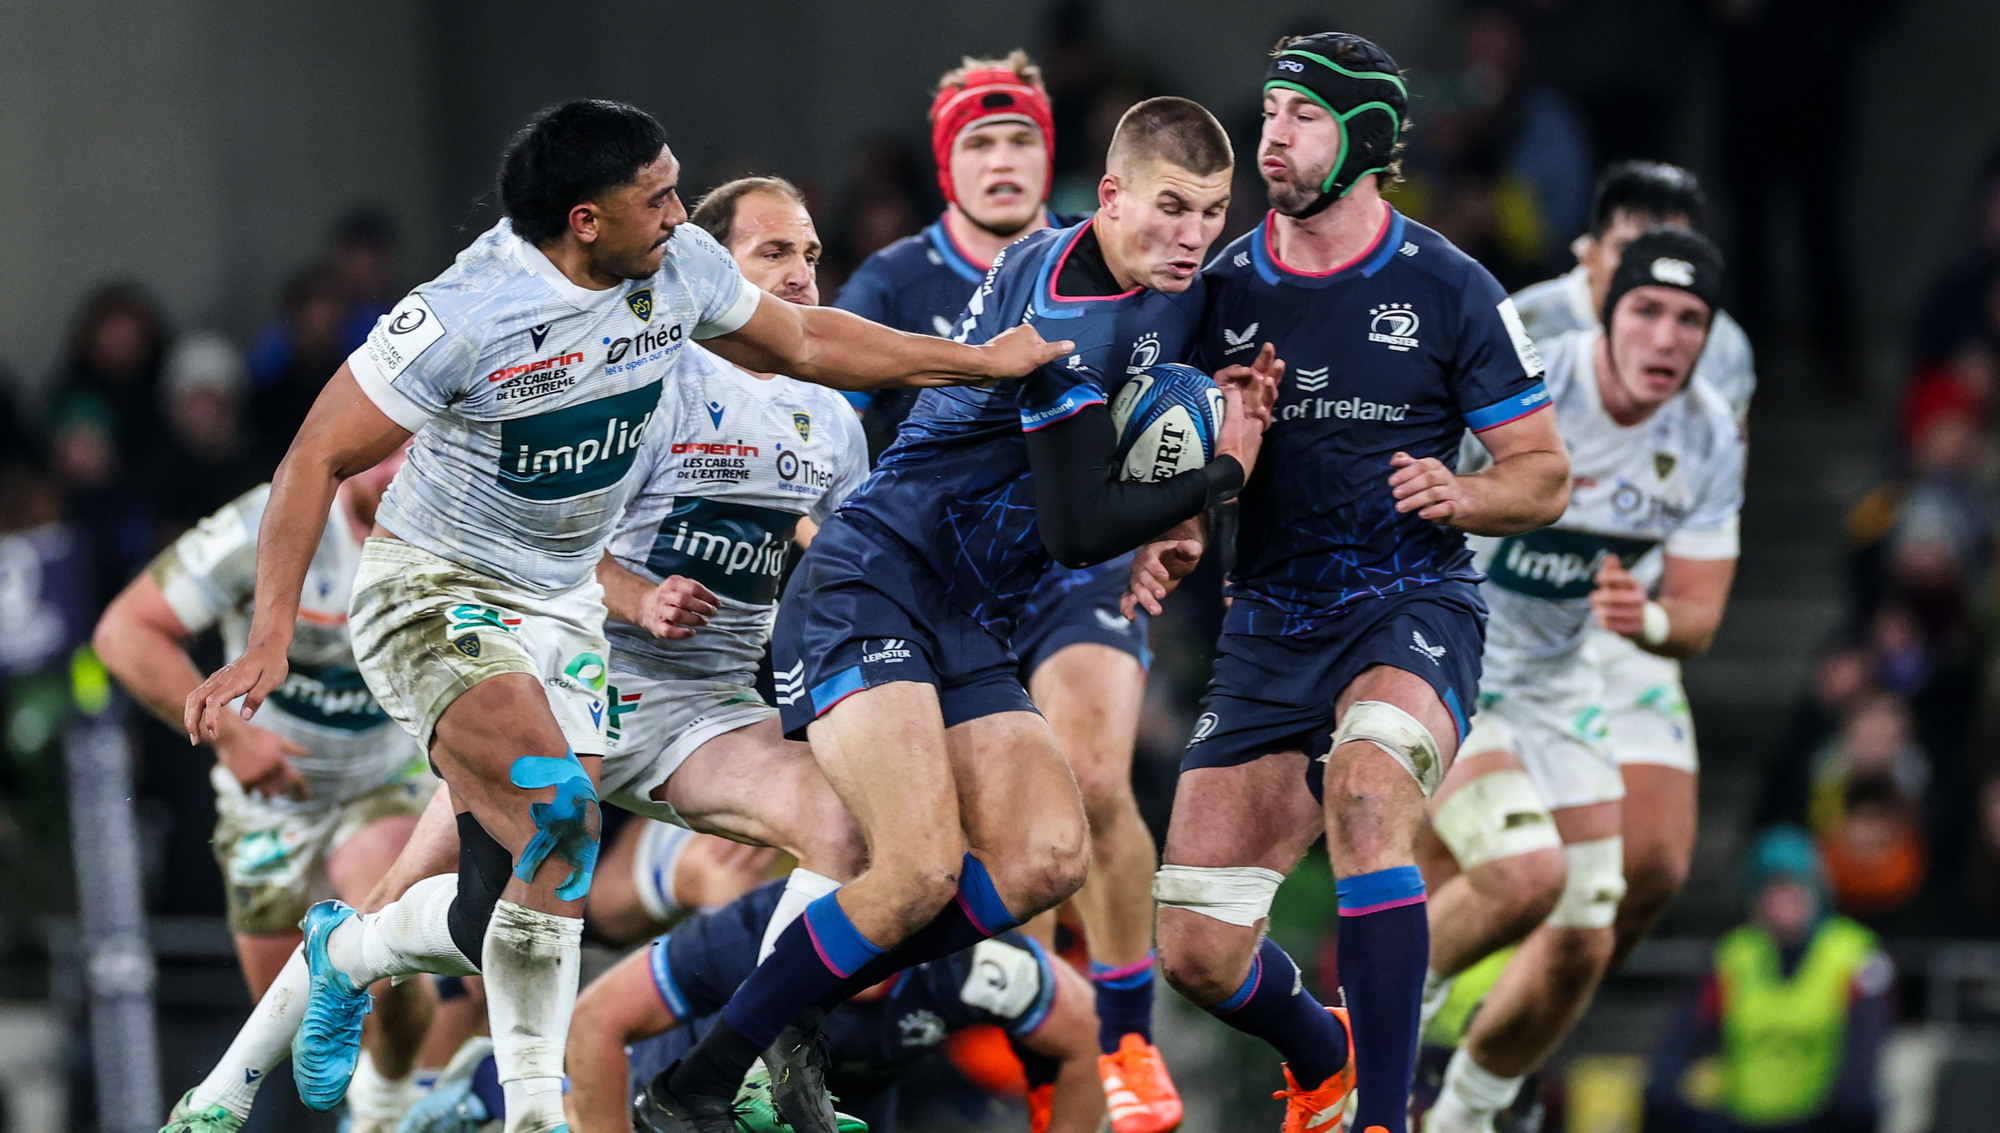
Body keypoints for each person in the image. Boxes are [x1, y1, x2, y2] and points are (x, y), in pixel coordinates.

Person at [181, 98, 1070, 1133]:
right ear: (585, 219)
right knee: (555, 821)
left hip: (592, 641)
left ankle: (744, 1047)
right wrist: (270, 637)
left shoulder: (693, 285)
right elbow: (313, 457)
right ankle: (459, 1108)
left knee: (543, 895)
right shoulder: (467, 310)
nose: (679, 215)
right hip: (440, 593)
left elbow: (807, 343)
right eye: (659, 198)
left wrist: (981, 360)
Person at [640, 96, 1275, 1133]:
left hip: (967, 610)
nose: (1192, 237)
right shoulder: (1068, 319)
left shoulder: (1147, 278)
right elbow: (1078, 527)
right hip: (872, 581)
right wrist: (1221, 473)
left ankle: (805, 990)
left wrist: (1181, 516)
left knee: (1047, 856)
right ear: (1110, 195)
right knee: (919, 869)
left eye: (1210, 213)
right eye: (1171, 208)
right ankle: (694, 1083)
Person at [1140, 33, 1569, 1133]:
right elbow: (1175, 465)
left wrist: (1464, 491)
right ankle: (1325, 1056)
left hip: (1408, 603)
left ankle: (1384, 1118)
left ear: (1366, 139)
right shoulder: (1217, 288)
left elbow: (1543, 474)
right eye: (1270, 111)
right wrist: (1174, 524)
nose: (1271, 136)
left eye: (1303, 116)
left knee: (1368, 790)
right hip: (1266, 625)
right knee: (1195, 947)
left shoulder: (1450, 286)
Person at [832, 52, 1177, 1127]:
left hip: (1077, 564)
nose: (1002, 159)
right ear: (947, 166)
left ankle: (1127, 1041)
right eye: (978, 142)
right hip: (945, 581)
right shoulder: (891, 284)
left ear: (1050, 154)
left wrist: (1173, 520)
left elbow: (1185, 403)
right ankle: (1028, 1035)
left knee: (1092, 772)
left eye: (1019, 137)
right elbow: (831, 434)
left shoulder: (1121, 260)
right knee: (1004, 831)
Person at [1420, 228, 1744, 1133]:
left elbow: (1698, 614)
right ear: (1608, 310)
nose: (1667, 336)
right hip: (1451, 656)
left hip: (1559, 683)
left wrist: (1647, 619)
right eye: (1648, 310)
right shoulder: (1532, 376)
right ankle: (1355, 1045)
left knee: (1586, 932)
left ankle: (1465, 1116)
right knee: (1522, 873)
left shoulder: (1709, 432)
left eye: (1690, 319)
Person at [95, 444, 439, 1133]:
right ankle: (375, 1106)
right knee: (293, 1027)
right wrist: (234, 738)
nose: (398, 471)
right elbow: (124, 632)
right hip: (269, 805)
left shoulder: (458, 523)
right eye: (383, 452)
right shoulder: (263, 522)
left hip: (388, 778)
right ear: (352, 449)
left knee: (377, 933)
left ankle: (391, 1094)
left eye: (417, 450)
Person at [1508, 159, 1756, 979]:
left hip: (1616, 611)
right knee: (1504, 866)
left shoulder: (1723, 352)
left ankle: (1524, 1011)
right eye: (1631, 252)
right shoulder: (1525, 326)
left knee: (1651, 863)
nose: (1657, 277)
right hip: (1499, 607)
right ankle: (1448, 1018)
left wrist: (1652, 608)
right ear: (1590, 255)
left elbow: (1706, 484)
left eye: (1676, 253)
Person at [411, 879, 1107, 1133]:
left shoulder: (975, 965)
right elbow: (598, 1020)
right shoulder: (750, 934)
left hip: (848, 1107)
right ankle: (488, 1084)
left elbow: (1082, 1036)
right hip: (690, 1096)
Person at [1645, 827, 1891, 1133]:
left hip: (1821, 1121)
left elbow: (1864, 1049)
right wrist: (1662, 1094)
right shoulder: (1736, 956)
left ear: (1817, 890)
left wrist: (1847, 1110)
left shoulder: (1854, 956)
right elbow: (1684, 1031)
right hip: (1741, 1121)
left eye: (1795, 884)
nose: (1785, 897)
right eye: (1772, 887)